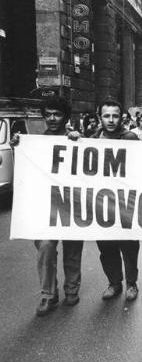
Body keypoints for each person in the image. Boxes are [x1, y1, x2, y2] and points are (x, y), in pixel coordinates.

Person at [10, 97, 84, 316]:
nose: (52, 118)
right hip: (44, 207)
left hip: (71, 204)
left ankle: (71, 290)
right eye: (48, 114)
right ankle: (48, 295)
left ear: (66, 117)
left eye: (58, 114)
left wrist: (79, 140)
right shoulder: (35, 143)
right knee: (45, 248)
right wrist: (18, 147)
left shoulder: (76, 141)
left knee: (72, 250)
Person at [89, 100, 140, 301]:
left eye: (115, 116)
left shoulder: (130, 138)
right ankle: (114, 283)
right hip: (101, 203)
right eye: (107, 116)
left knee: (128, 246)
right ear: (99, 117)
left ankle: (132, 284)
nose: (111, 120)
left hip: (125, 201)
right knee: (106, 246)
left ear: (122, 117)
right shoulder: (91, 140)